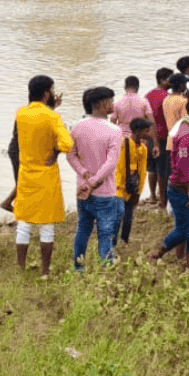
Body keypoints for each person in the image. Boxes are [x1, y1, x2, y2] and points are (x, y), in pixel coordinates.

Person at [13, 76, 73, 277]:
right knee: (47, 227)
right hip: (47, 175)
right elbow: (67, 144)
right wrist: (55, 152)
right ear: (47, 93)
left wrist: (50, 108)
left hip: (26, 174)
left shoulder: (21, 114)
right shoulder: (52, 117)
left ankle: (20, 269)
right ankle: (45, 271)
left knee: (24, 224)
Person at [149, 94, 189, 267]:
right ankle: (159, 253)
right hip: (183, 190)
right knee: (185, 230)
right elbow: (183, 164)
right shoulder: (187, 134)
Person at [69, 86, 123, 270]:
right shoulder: (114, 130)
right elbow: (111, 163)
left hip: (82, 189)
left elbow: (71, 155)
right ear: (103, 104)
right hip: (104, 192)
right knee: (106, 232)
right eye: (111, 101)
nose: (113, 104)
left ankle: (78, 268)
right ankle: (105, 269)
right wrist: (94, 182)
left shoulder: (77, 127)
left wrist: (84, 174)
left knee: (83, 229)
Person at [115, 117, 151, 246]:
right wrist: (121, 186)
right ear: (137, 131)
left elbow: (142, 172)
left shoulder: (143, 149)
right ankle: (112, 242)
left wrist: (138, 191)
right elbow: (119, 167)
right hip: (119, 187)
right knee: (117, 216)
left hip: (132, 187)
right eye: (146, 131)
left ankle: (124, 240)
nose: (148, 134)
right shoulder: (123, 144)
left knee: (128, 216)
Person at [143, 68, 173, 206]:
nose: (171, 82)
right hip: (163, 136)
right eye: (170, 79)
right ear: (162, 80)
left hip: (149, 135)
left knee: (152, 168)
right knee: (163, 169)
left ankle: (153, 196)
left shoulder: (148, 95)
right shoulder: (167, 96)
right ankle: (163, 200)